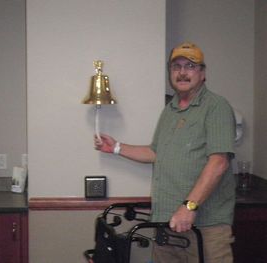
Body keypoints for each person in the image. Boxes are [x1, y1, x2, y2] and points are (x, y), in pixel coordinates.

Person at [94, 42, 236, 263]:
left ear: (202, 73)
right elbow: (155, 152)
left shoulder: (216, 107)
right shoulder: (169, 111)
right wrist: (116, 148)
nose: (182, 72)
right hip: (167, 222)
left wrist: (189, 207)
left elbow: (219, 163)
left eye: (189, 66)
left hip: (205, 226)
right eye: (176, 66)